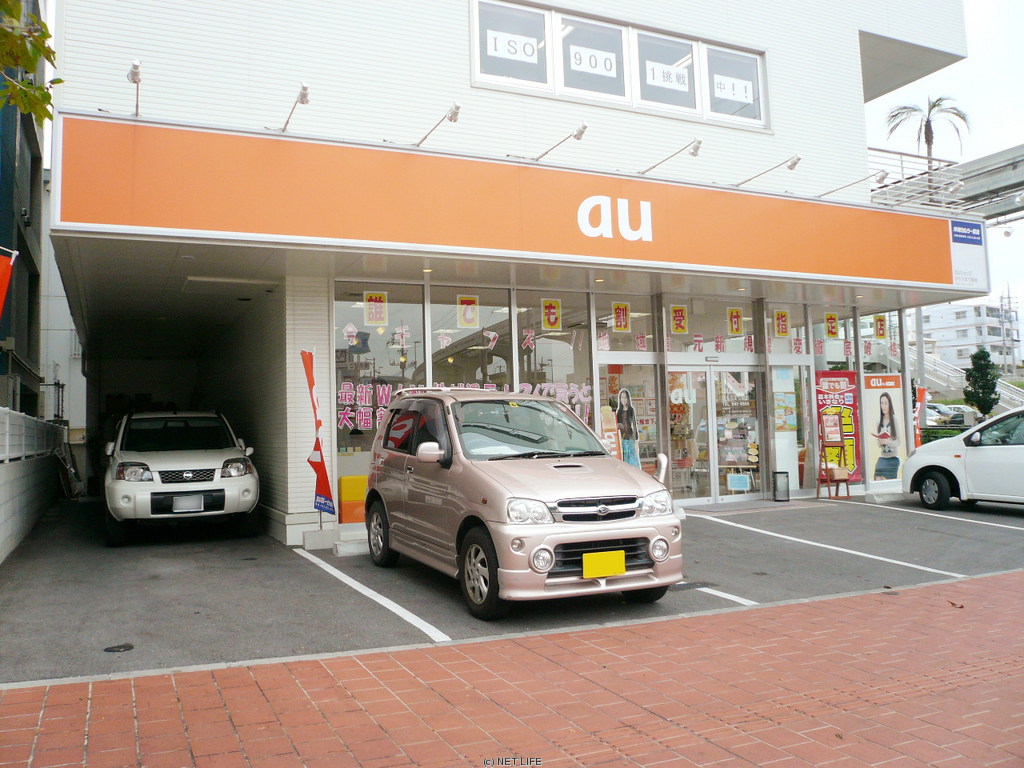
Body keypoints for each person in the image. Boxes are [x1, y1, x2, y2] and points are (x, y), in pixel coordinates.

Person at [873, 391, 901, 480]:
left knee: (885, 481)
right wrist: (880, 442)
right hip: (883, 457)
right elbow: (878, 443)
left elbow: (899, 441)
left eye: (886, 403)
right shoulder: (879, 421)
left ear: (890, 404)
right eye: (882, 403)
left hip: (893, 457)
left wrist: (888, 442)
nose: (883, 406)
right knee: (877, 477)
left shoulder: (894, 419)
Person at [616, 389, 641, 468]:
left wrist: (636, 441)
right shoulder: (619, 411)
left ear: (628, 399)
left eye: (625, 397)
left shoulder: (631, 410)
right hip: (622, 440)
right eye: (622, 397)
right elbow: (617, 426)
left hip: (631, 438)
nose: (624, 400)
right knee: (624, 459)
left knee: (633, 459)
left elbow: (634, 425)